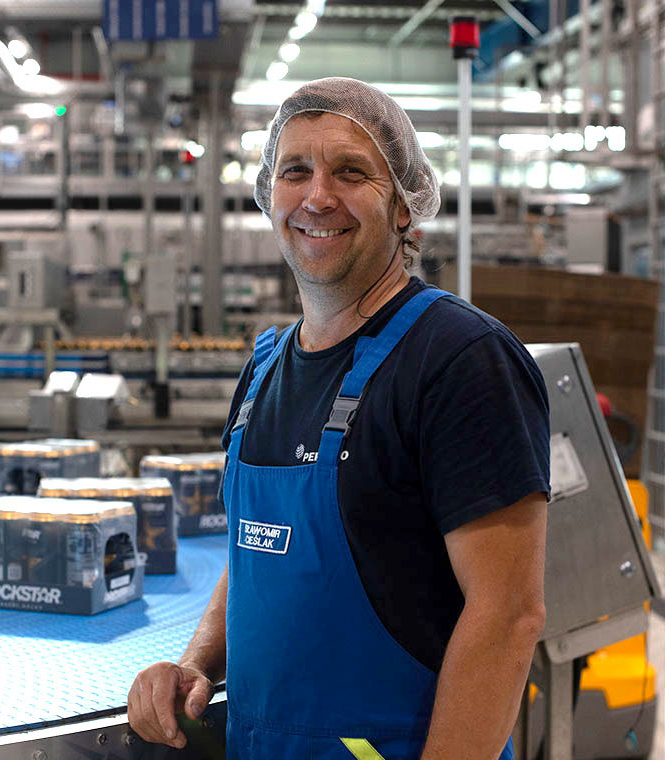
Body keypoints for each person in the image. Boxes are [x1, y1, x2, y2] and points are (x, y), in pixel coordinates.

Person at [128, 77, 550, 760]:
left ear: (406, 205)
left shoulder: (459, 359)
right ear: (271, 194)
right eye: (296, 170)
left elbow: (508, 616)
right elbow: (257, 551)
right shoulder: (265, 369)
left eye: (351, 172)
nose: (317, 196)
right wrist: (198, 665)